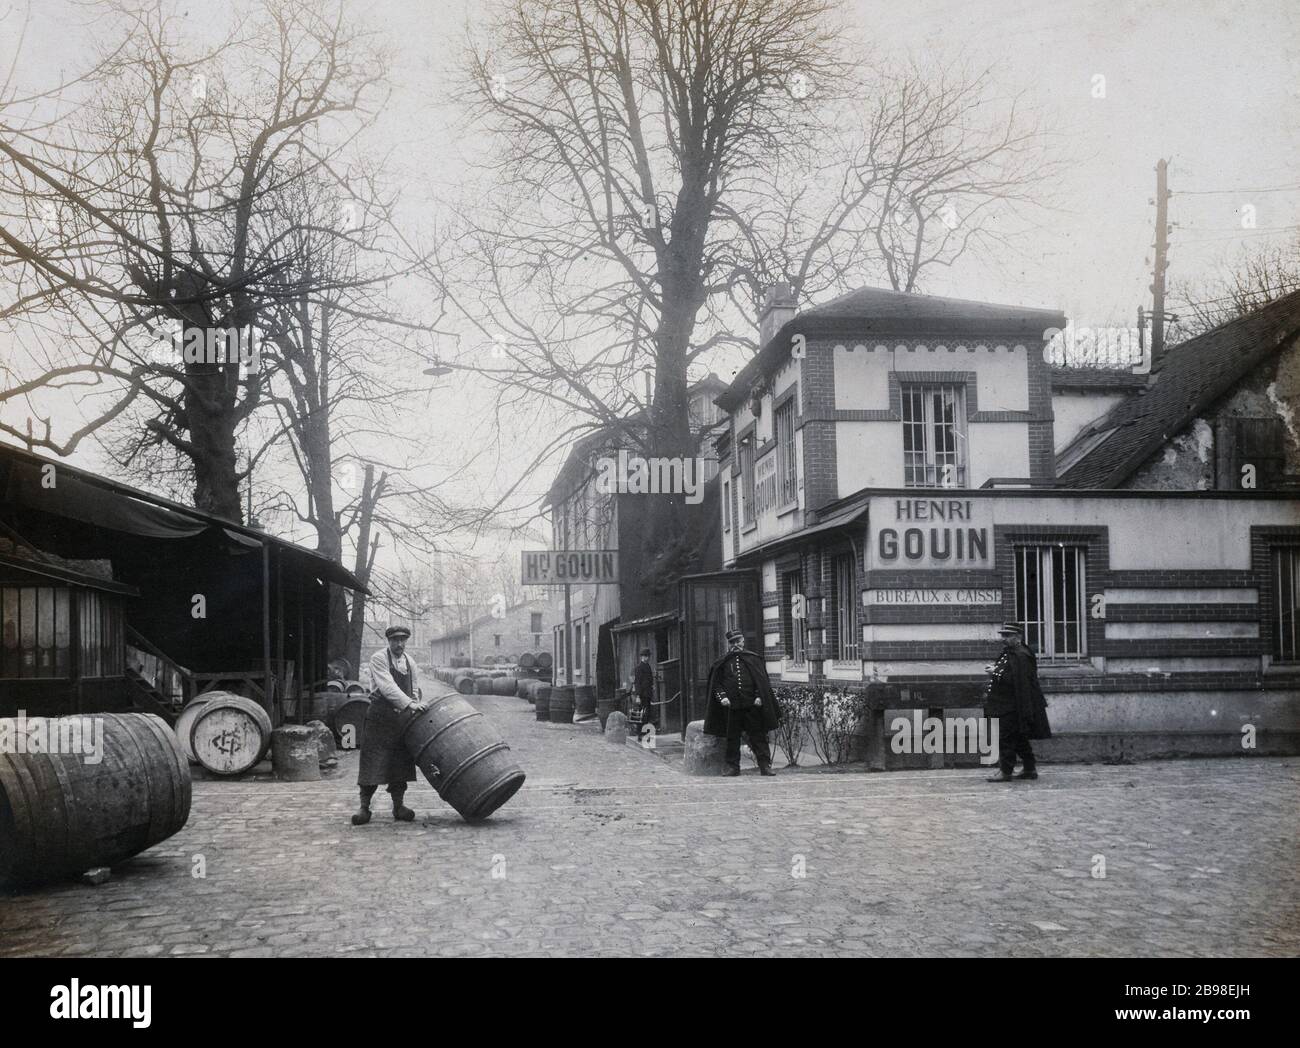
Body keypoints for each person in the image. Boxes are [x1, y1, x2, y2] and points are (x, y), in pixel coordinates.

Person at [353, 626, 428, 825]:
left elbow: (413, 690)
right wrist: (410, 704)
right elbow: (388, 687)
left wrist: (414, 703)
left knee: (400, 764)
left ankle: (399, 806)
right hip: (379, 719)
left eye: (403, 640)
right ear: (388, 641)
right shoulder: (379, 658)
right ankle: (364, 808)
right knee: (372, 763)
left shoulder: (410, 662)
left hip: (400, 721)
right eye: (395, 640)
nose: (399, 644)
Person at [702, 628, 780, 777]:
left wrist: (759, 696)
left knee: (758, 737)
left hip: (752, 706)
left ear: (743, 641)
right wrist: (722, 697)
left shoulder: (754, 659)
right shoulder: (722, 662)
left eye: (738, 641)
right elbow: (716, 684)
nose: (736, 645)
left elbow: (762, 681)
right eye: (732, 642)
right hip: (732, 707)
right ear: (729, 644)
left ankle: (765, 766)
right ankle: (733, 768)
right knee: (732, 738)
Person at [984, 622, 1052, 782]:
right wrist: (997, 670)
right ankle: (1029, 768)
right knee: (1019, 737)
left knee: (1006, 738)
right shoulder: (1014, 653)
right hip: (1010, 704)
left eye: (1008, 636)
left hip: (1013, 705)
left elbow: (1017, 681)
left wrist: (996, 672)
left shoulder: (1020, 655)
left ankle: (1005, 771)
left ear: (1018, 637)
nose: (1004, 639)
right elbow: (1012, 674)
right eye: (1003, 635)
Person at [633, 648, 657, 729]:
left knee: (647, 714)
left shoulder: (648, 666)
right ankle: (640, 733)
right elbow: (637, 683)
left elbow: (649, 679)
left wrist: (652, 686)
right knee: (642, 714)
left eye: (648, 656)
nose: (648, 658)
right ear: (642, 657)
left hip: (648, 694)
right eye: (646, 656)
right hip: (642, 694)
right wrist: (638, 696)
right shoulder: (639, 668)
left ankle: (645, 731)